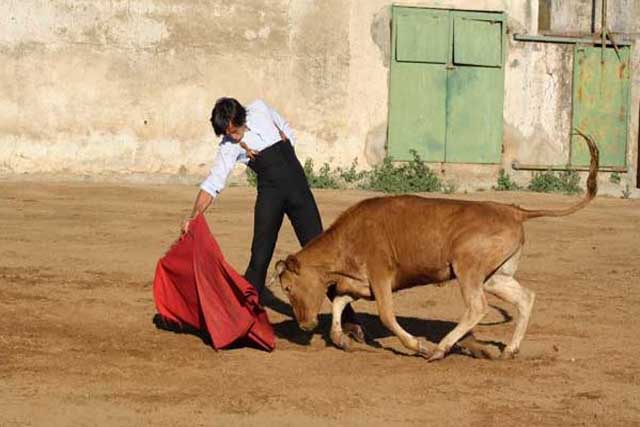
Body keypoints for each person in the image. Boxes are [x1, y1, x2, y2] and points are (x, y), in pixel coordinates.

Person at [181, 97, 363, 339]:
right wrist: (194, 216)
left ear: (241, 118)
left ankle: (348, 320)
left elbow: (284, 126)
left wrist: (288, 139)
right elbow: (213, 183)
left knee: (322, 257)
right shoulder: (229, 147)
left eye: (234, 131)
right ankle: (241, 321)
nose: (233, 137)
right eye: (226, 133)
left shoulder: (260, 109)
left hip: (299, 191)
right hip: (271, 196)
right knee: (260, 256)